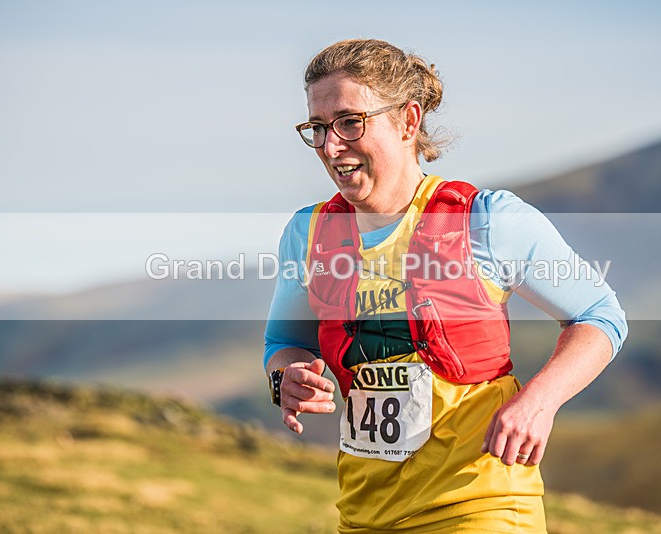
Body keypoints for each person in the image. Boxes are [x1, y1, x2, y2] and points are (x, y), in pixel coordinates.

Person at [264, 38, 627, 533]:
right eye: (318, 127)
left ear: (408, 120)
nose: (331, 146)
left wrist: (540, 402)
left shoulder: (489, 220)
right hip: (365, 514)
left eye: (350, 122)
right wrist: (285, 380)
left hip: (481, 505)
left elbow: (600, 317)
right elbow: (284, 344)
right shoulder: (306, 233)